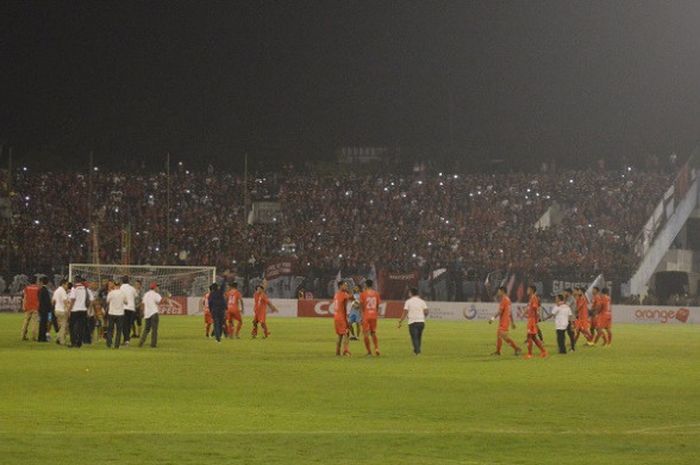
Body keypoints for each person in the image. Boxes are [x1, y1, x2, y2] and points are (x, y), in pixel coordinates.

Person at [489, 286, 521, 356]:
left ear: (502, 291)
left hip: (504, 321)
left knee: (504, 337)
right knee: (499, 336)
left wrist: (492, 318)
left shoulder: (504, 300)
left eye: (499, 291)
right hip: (505, 321)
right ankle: (498, 352)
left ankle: (516, 348)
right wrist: (512, 322)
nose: (498, 292)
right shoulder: (508, 299)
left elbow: (500, 311)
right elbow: (510, 312)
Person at [398, 288, 428, 355]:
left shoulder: (408, 301)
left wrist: (401, 320)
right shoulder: (422, 301)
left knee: (414, 337)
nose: (409, 294)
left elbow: (405, 312)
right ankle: (416, 350)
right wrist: (423, 317)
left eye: (409, 293)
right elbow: (426, 312)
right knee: (419, 337)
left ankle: (417, 352)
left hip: (412, 322)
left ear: (411, 293)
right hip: (421, 322)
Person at [68, 276, 93, 348]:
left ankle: (73, 342)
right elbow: (90, 299)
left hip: (75, 310)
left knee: (72, 326)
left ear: (75, 280)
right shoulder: (85, 289)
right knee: (81, 327)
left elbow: (73, 299)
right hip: (83, 310)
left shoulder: (74, 288)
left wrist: (69, 310)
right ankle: (79, 343)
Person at [524, 285, 548, 359]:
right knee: (534, 337)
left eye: (528, 289)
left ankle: (530, 354)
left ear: (531, 290)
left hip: (532, 320)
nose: (527, 290)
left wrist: (536, 318)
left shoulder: (534, 298)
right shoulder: (532, 298)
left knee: (529, 337)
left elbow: (535, 308)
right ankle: (544, 352)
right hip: (531, 319)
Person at [139, 282, 166, 348]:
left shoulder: (146, 294)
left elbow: (142, 304)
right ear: (154, 287)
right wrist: (166, 297)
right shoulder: (156, 294)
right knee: (154, 330)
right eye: (157, 287)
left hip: (147, 314)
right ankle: (153, 344)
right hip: (154, 313)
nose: (158, 288)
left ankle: (141, 342)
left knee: (146, 329)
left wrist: (142, 312)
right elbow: (161, 302)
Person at [360, 279, 381, 356]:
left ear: (366, 285)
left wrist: (362, 315)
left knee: (365, 334)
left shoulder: (363, 294)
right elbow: (378, 305)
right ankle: (376, 348)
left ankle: (369, 352)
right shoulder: (376, 294)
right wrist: (375, 313)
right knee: (373, 333)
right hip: (374, 315)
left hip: (366, 315)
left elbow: (361, 305)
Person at [332, 281, 352, 356]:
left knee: (340, 335)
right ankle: (346, 350)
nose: (346, 286)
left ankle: (337, 352)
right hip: (341, 317)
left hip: (336, 317)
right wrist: (349, 292)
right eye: (345, 285)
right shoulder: (343, 294)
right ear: (340, 286)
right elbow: (351, 298)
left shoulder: (336, 294)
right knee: (346, 333)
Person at [106, 281, 127, 349]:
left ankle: (109, 343)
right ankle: (116, 345)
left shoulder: (111, 293)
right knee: (119, 330)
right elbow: (126, 302)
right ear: (120, 286)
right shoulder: (123, 293)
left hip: (112, 313)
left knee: (110, 329)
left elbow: (107, 301)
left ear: (114, 285)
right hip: (120, 313)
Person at [120, 276, 139, 346]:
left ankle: (126, 340)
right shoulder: (132, 288)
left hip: (123, 308)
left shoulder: (121, 288)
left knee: (123, 325)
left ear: (122, 281)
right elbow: (136, 295)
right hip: (131, 308)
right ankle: (127, 339)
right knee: (128, 325)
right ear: (128, 281)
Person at [20, 276, 40, 341]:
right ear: (36, 281)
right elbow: (39, 298)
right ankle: (34, 337)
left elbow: (25, 297)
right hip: (35, 307)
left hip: (28, 307)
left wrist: (23, 306)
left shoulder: (26, 288)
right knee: (34, 323)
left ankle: (22, 336)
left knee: (25, 322)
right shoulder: (38, 288)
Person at [52, 279, 70, 345]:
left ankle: (58, 338)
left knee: (61, 326)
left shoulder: (56, 291)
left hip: (57, 310)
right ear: (63, 284)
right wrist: (68, 310)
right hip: (62, 311)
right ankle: (62, 341)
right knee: (63, 326)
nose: (67, 286)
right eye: (66, 284)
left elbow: (53, 301)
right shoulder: (63, 291)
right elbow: (65, 301)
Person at [37, 277, 52, 342]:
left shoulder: (41, 290)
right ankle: (43, 338)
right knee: (44, 324)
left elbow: (40, 300)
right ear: (47, 282)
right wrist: (50, 309)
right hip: (45, 310)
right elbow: (47, 302)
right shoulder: (45, 290)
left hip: (41, 309)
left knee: (42, 324)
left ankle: (40, 337)